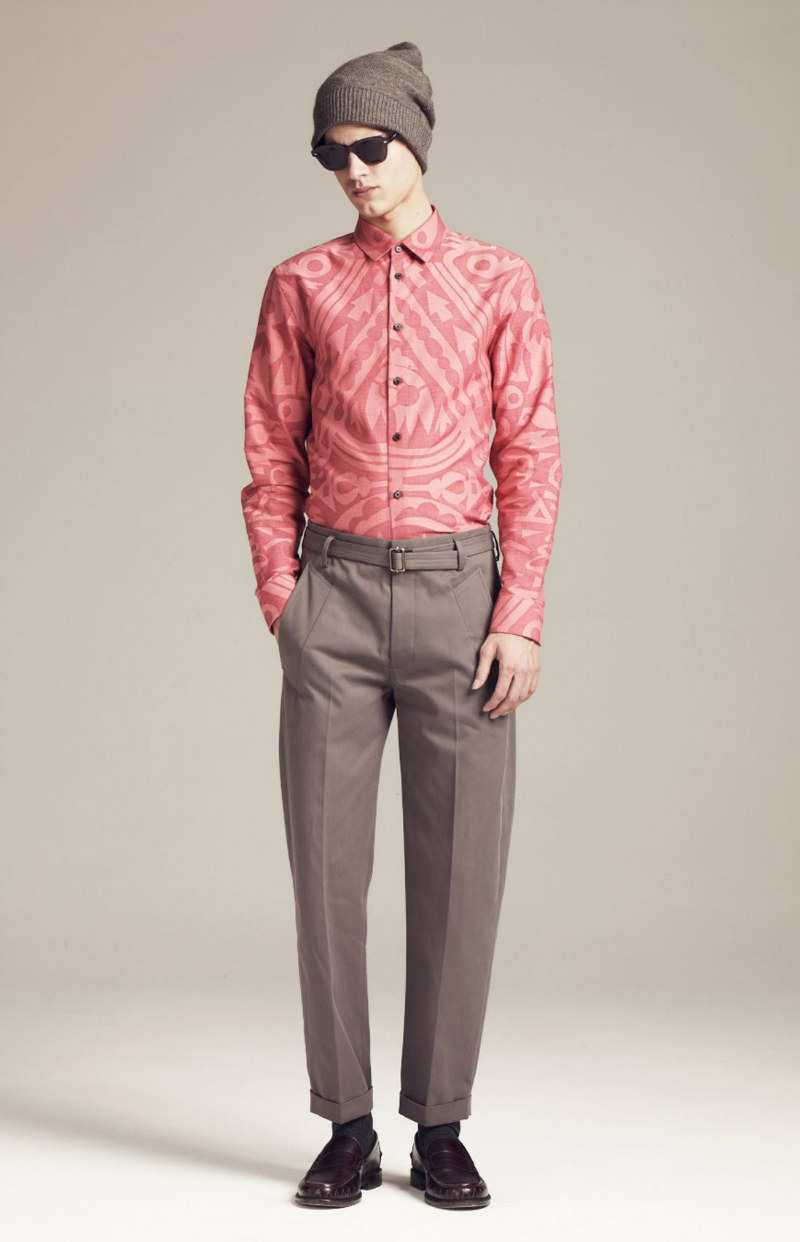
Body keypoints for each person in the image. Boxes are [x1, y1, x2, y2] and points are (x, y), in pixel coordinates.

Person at [240, 40, 562, 1210]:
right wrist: (284, 600)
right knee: (324, 875)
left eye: (370, 146)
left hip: (458, 601)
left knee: (459, 874)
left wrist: (518, 611)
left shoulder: (497, 280)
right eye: (331, 154)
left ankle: (440, 1126)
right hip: (330, 598)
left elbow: (529, 450)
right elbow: (269, 448)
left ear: (414, 139)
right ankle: (343, 1123)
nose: (353, 170)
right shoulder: (299, 284)